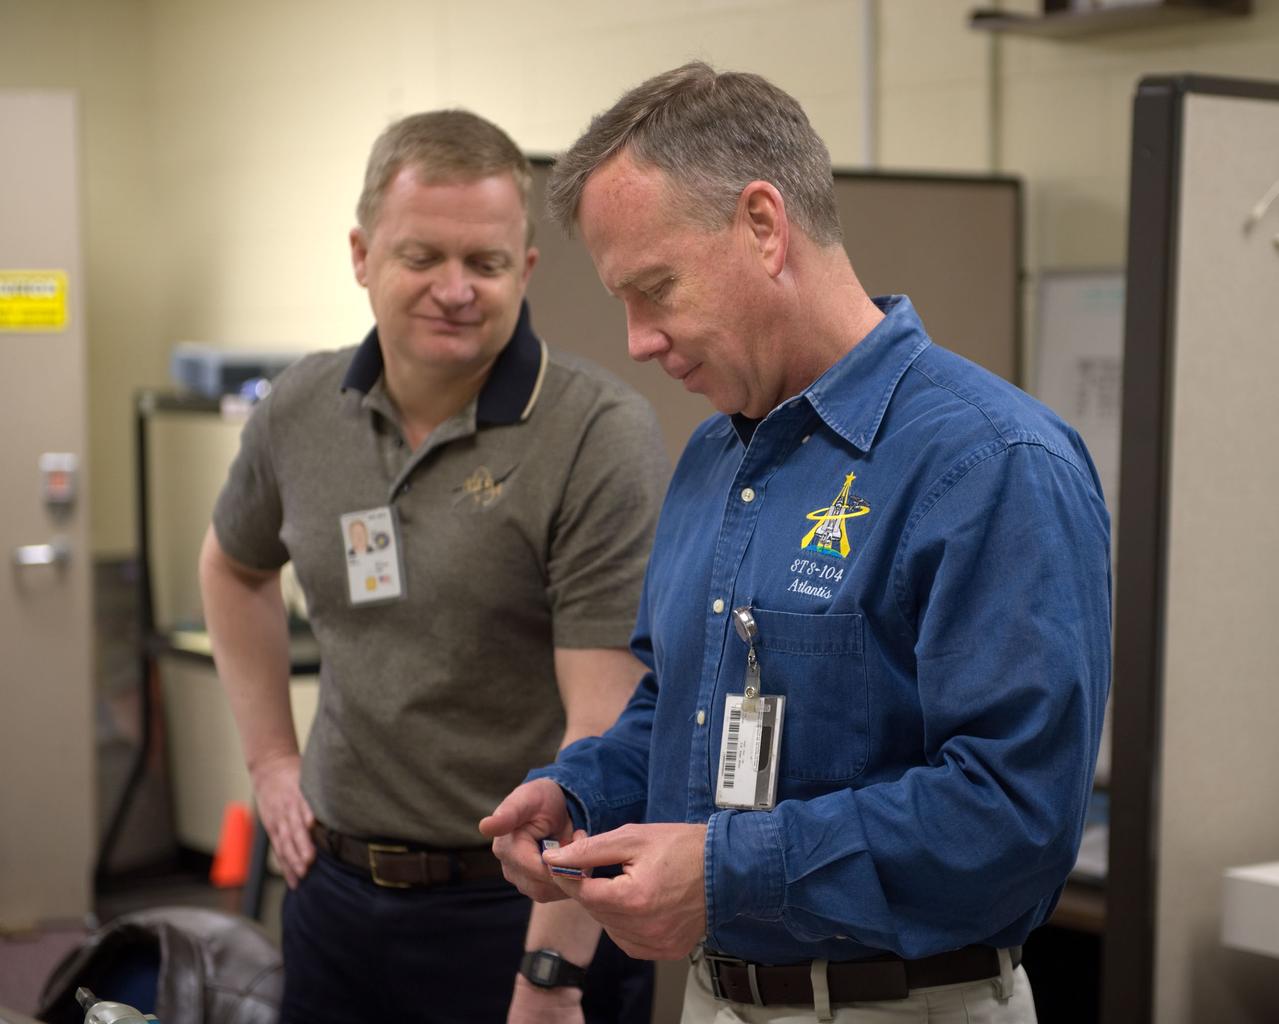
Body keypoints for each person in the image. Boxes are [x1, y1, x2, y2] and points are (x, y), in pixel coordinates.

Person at [481, 63, 1111, 1024]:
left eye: (654, 289)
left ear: (764, 226)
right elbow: (679, 701)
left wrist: (729, 873)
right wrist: (584, 791)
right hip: (712, 996)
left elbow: (1013, 815)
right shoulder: (711, 458)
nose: (637, 339)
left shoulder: (991, 461)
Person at [199, 109, 665, 1023]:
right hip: (331, 893)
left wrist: (550, 978)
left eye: (484, 264)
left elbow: (602, 732)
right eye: (422, 257)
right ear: (361, 253)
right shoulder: (299, 408)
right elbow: (232, 568)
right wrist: (269, 762)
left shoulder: (595, 435)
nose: (455, 289)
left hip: (514, 909)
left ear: (524, 269)